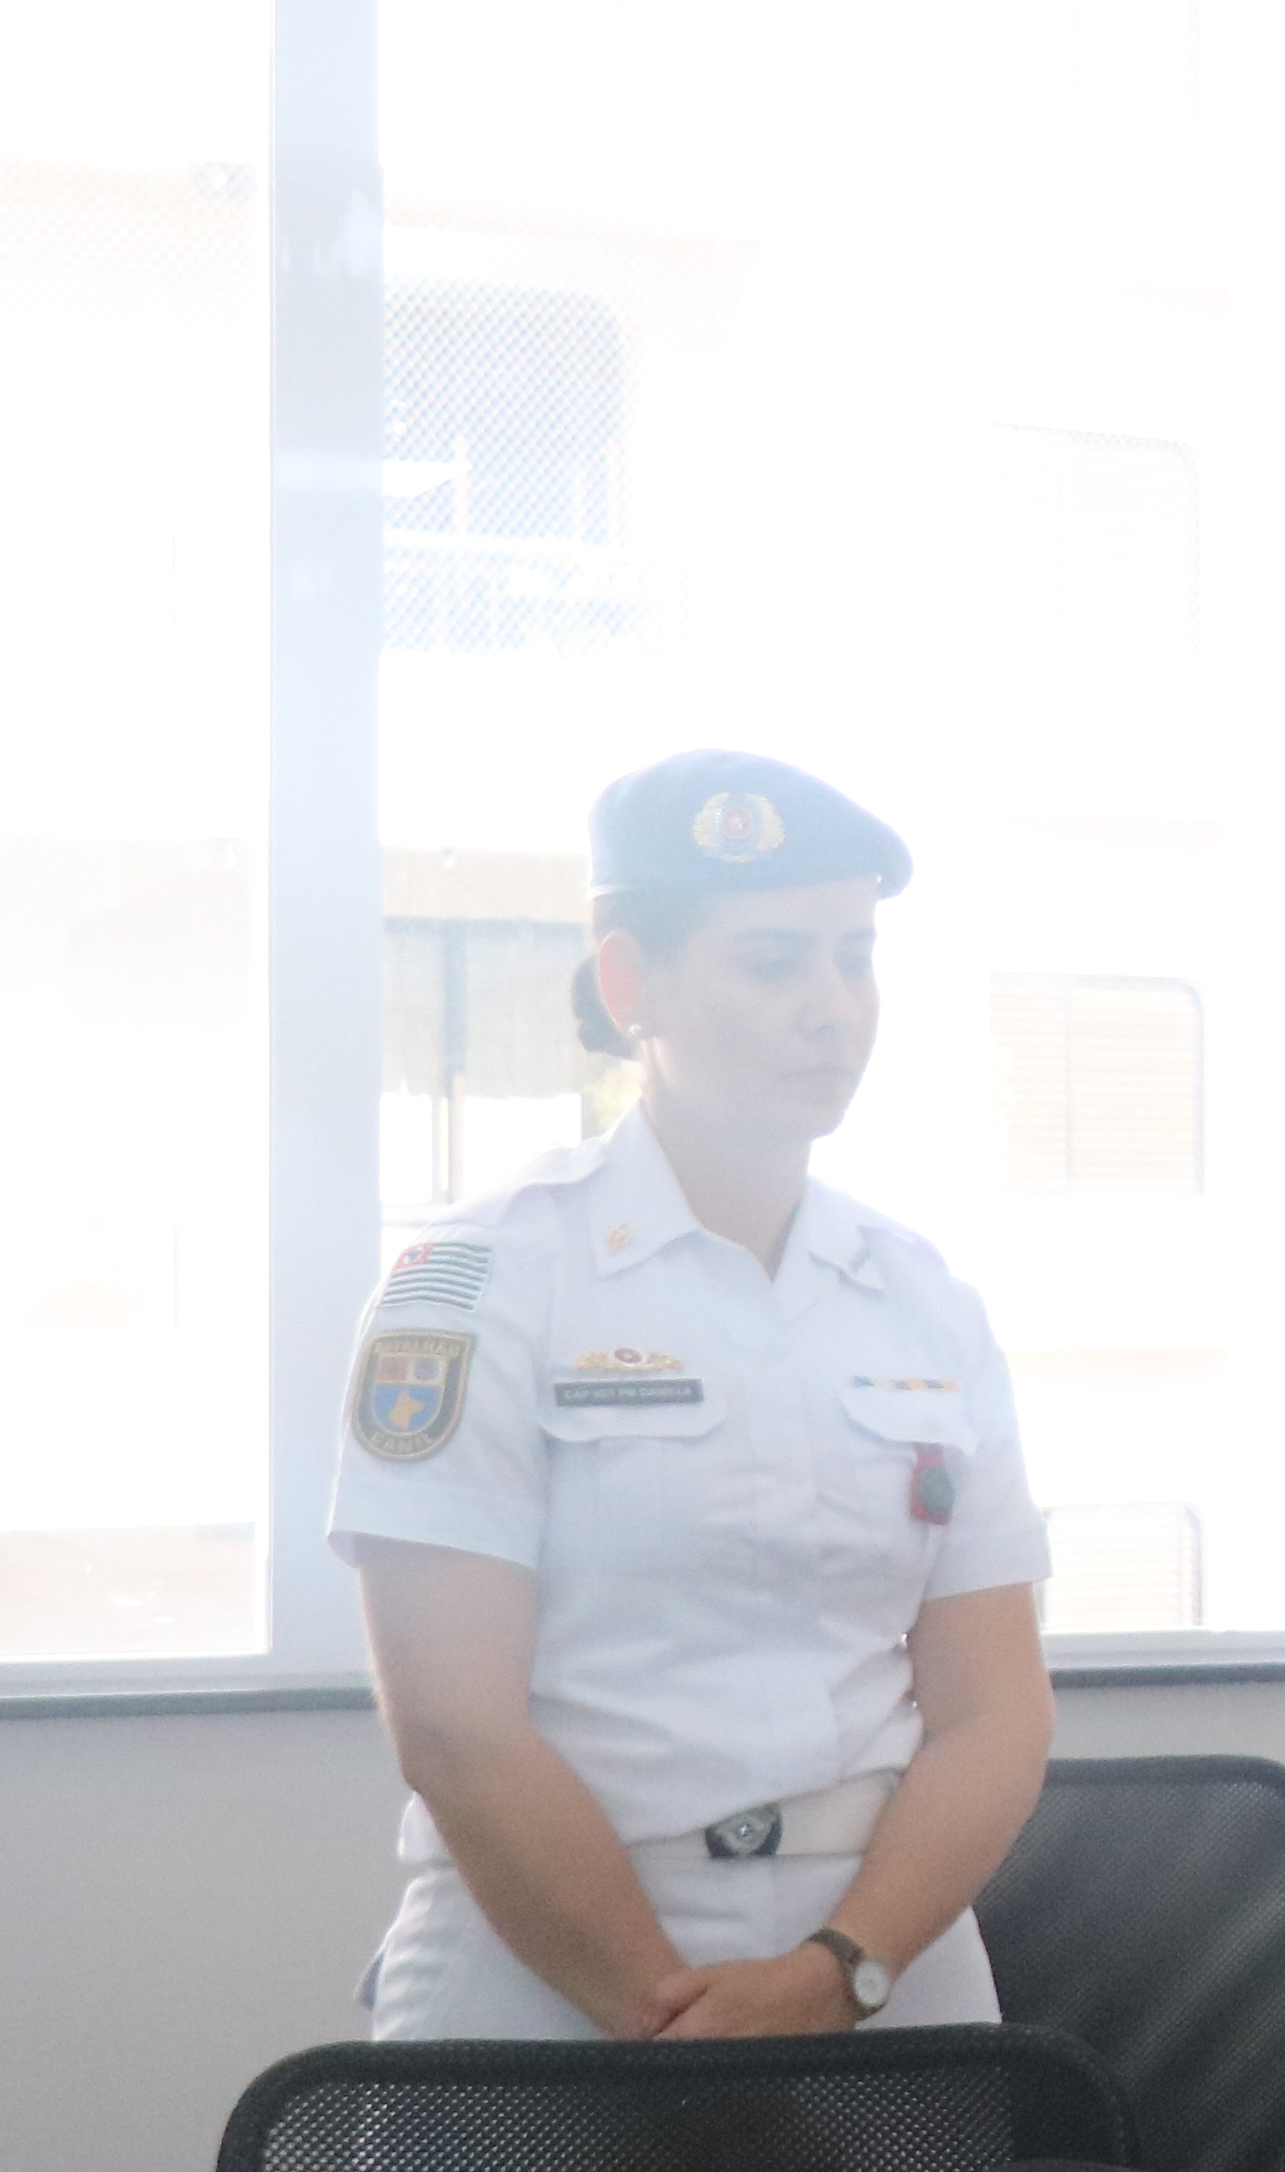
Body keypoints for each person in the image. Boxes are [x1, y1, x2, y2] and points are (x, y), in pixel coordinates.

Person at [326, 753, 1049, 2042]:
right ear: (629, 982)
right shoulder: (479, 1284)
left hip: (879, 1952)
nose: (832, 1008)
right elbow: (451, 1721)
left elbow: (994, 1712)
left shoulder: (923, 1302)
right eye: (773, 964)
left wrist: (837, 1974)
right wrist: (671, 2021)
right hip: (545, 1954)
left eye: (854, 957)